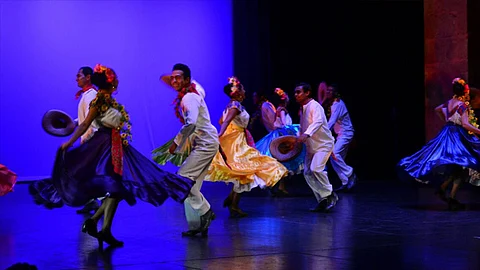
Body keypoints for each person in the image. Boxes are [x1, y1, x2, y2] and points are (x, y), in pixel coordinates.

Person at [29, 64, 195, 247]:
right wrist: (69, 142)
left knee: (118, 189)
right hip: (104, 147)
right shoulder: (98, 100)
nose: (117, 80)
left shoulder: (107, 100)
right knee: (117, 187)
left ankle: (98, 225)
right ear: (110, 81)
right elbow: (85, 124)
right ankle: (100, 226)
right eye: (115, 78)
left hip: (115, 145)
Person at [204, 77, 288, 217]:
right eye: (242, 88)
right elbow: (226, 123)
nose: (245, 90)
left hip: (237, 139)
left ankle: (233, 201)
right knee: (245, 171)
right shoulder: (235, 106)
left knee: (243, 173)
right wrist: (219, 135)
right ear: (237, 92)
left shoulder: (231, 105)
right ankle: (234, 204)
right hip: (236, 143)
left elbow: (226, 121)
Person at [398, 77, 480, 210]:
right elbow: (465, 124)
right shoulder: (463, 105)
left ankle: (446, 192)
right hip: (457, 135)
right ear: (465, 92)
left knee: (459, 166)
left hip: (447, 132)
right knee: (463, 164)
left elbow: (437, 109)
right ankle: (450, 196)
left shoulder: (450, 102)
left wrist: (447, 121)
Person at [164, 63, 217, 237]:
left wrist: (175, 144)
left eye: (178, 77)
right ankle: (197, 224)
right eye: (172, 78)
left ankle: (205, 211)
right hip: (204, 142)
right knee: (192, 185)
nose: (173, 81)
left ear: (187, 80)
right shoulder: (193, 92)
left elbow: (191, 123)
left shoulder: (189, 97)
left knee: (182, 181)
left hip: (205, 143)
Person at [294, 82, 338, 212]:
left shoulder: (315, 106)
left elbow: (318, 122)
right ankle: (322, 200)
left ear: (307, 93)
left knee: (316, 169)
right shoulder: (303, 108)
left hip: (323, 145)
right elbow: (303, 127)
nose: (296, 95)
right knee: (307, 173)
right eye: (295, 92)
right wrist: (300, 139)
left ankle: (330, 194)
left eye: (299, 92)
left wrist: (306, 134)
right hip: (311, 145)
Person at [254, 88, 306, 195]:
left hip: (279, 134)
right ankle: (276, 185)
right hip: (281, 135)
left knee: (282, 162)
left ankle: (280, 186)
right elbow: (282, 124)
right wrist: (291, 132)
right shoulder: (281, 109)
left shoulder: (276, 108)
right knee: (281, 161)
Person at [74, 66, 102, 214]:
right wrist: (74, 122)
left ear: (88, 77)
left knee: (93, 173)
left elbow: (92, 122)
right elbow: (85, 117)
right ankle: (92, 201)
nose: (76, 78)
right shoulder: (86, 95)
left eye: (79, 75)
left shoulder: (91, 95)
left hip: (91, 140)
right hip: (88, 139)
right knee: (87, 173)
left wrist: (89, 142)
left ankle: (103, 202)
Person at [322, 84, 357, 192]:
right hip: (341, 134)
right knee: (334, 158)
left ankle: (350, 173)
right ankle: (345, 182)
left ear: (335, 93)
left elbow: (332, 122)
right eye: (327, 90)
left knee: (335, 154)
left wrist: (321, 134)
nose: (328, 92)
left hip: (346, 133)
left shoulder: (337, 104)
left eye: (330, 91)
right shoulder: (332, 104)